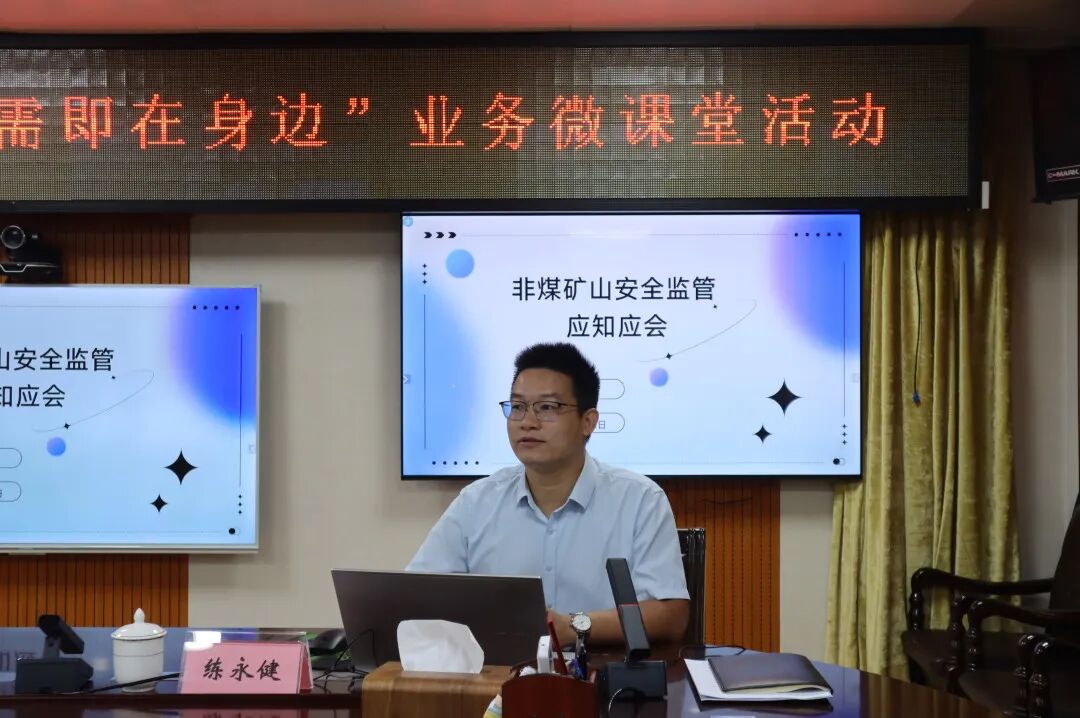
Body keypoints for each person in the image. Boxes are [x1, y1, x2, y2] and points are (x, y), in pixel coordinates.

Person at [407, 342, 689, 646]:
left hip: (605, 670)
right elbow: (416, 597)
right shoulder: (476, 502)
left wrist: (575, 627)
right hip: (499, 670)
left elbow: (670, 616)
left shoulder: (640, 500)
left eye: (547, 407)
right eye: (518, 407)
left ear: (588, 421)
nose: (527, 422)